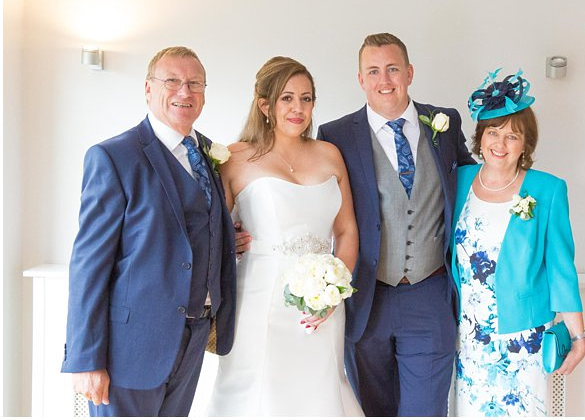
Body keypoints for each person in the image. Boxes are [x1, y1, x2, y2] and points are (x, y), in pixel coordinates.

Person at [61, 46, 237, 416]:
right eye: (171, 81)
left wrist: (225, 238)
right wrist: (85, 358)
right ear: (147, 89)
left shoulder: (208, 153)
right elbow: (89, 264)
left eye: (194, 83)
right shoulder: (114, 157)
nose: (184, 92)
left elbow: (188, 232)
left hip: (194, 335)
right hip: (130, 346)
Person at [316, 33, 475, 416]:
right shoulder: (335, 135)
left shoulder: (445, 123)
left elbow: (474, 183)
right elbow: (315, 201)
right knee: (374, 410)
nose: (384, 79)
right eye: (373, 71)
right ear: (360, 79)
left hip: (430, 294)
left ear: (409, 72)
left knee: (425, 410)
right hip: (366, 297)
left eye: (392, 69)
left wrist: (521, 193)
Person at [207, 56, 363, 416]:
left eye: (306, 98)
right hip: (259, 299)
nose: (298, 108)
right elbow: (212, 230)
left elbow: (346, 229)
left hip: (323, 305)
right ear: (265, 105)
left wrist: (335, 293)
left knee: (320, 391)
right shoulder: (234, 157)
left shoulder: (329, 155)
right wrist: (228, 241)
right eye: (287, 98)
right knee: (259, 393)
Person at [451, 69, 585, 416]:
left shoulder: (548, 189)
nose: (500, 143)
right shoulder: (457, 180)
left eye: (512, 136)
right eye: (493, 132)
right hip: (467, 336)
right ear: (479, 138)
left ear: (526, 144)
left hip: (524, 338)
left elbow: (560, 266)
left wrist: (579, 336)